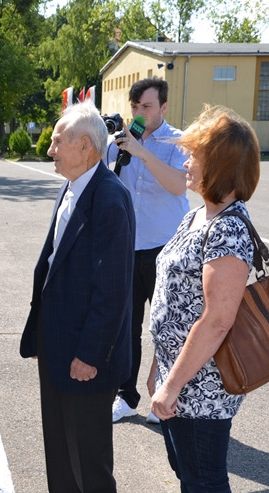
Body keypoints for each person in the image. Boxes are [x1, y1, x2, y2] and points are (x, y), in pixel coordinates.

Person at [145, 105, 259, 493]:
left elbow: (216, 320)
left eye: (194, 155)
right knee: (189, 475)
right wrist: (157, 364)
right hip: (178, 376)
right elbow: (173, 297)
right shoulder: (199, 215)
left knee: (207, 481)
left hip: (203, 387)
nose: (186, 163)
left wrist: (170, 385)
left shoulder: (230, 230)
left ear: (220, 164)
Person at [20, 104, 134, 493]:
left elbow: (111, 290)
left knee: (88, 434)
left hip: (88, 346)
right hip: (57, 336)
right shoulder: (73, 185)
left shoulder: (109, 198)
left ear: (85, 146)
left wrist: (90, 353)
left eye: (56, 141)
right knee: (59, 425)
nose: (49, 149)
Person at [105, 78, 190, 425]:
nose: (139, 114)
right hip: (127, 248)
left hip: (165, 250)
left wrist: (142, 152)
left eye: (147, 107)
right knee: (126, 326)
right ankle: (126, 397)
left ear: (164, 108)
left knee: (167, 326)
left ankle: (164, 394)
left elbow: (177, 185)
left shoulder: (177, 140)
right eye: (135, 107)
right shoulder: (120, 140)